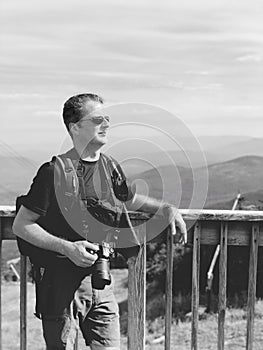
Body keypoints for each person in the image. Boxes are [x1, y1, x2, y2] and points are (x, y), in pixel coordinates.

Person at [13, 93, 187, 350]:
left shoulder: (108, 166)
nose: (106, 124)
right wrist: (68, 248)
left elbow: (126, 198)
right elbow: (22, 224)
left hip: (101, 281)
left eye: (107, 118)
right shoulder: (53, 172)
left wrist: (166, 208)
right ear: (75, 127)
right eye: (97, 119)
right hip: (60, 286)